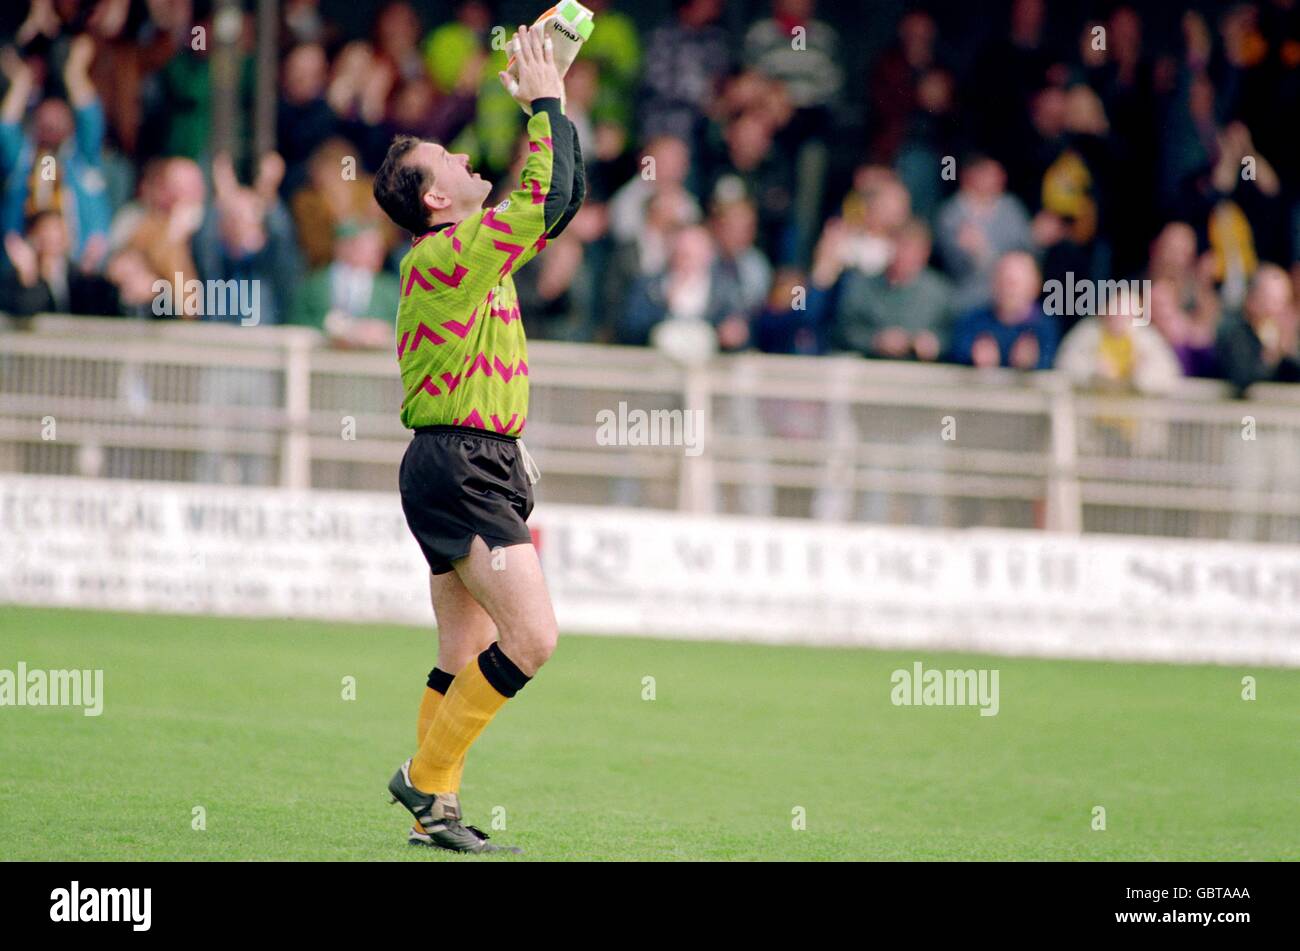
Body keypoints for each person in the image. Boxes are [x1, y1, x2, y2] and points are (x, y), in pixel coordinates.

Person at [372, 24, 583, 854]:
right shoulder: (446, 254)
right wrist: (544, 102)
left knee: (467, 646)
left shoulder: (464, 252)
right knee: (532, 640)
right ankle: (426, 775)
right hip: (462, 463)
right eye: (450, 161)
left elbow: (559, 199)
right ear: (434, 200)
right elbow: (543, 200)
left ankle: (436, 807)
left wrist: (554, 92)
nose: (466, 159)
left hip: (458, 462)